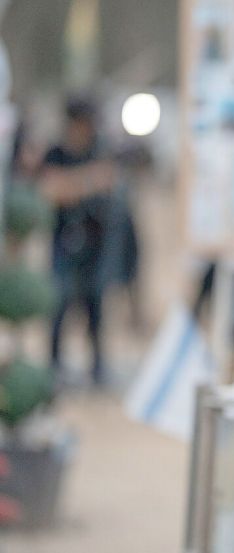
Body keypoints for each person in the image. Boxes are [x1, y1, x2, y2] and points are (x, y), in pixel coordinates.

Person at [37, 97, 116, 386]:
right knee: (58, 306)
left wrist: (74, 184)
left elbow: (108, 180)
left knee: (94, 308)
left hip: (94, 244)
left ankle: (97, 368)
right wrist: (86, 181)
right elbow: (51, 189)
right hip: (63, 241)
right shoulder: (56, 152)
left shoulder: (99, 149)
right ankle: (54, 367)